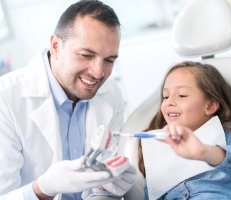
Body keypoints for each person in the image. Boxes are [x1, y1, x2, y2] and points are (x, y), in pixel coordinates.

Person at [0, 0, 136, 200]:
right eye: (86, 55)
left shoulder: (110, 93)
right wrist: (43, 188)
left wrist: (107, 189)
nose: (98, 72)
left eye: (109, 60)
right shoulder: (5, 99)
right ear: (56, 46)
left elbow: (99, 185)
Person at [138, 61, 231, 199]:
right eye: (166, 96)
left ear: (210, 106)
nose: (169, 102)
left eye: (182, 95)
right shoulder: (158, 146)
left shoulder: (228, 132)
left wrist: (205, 152)